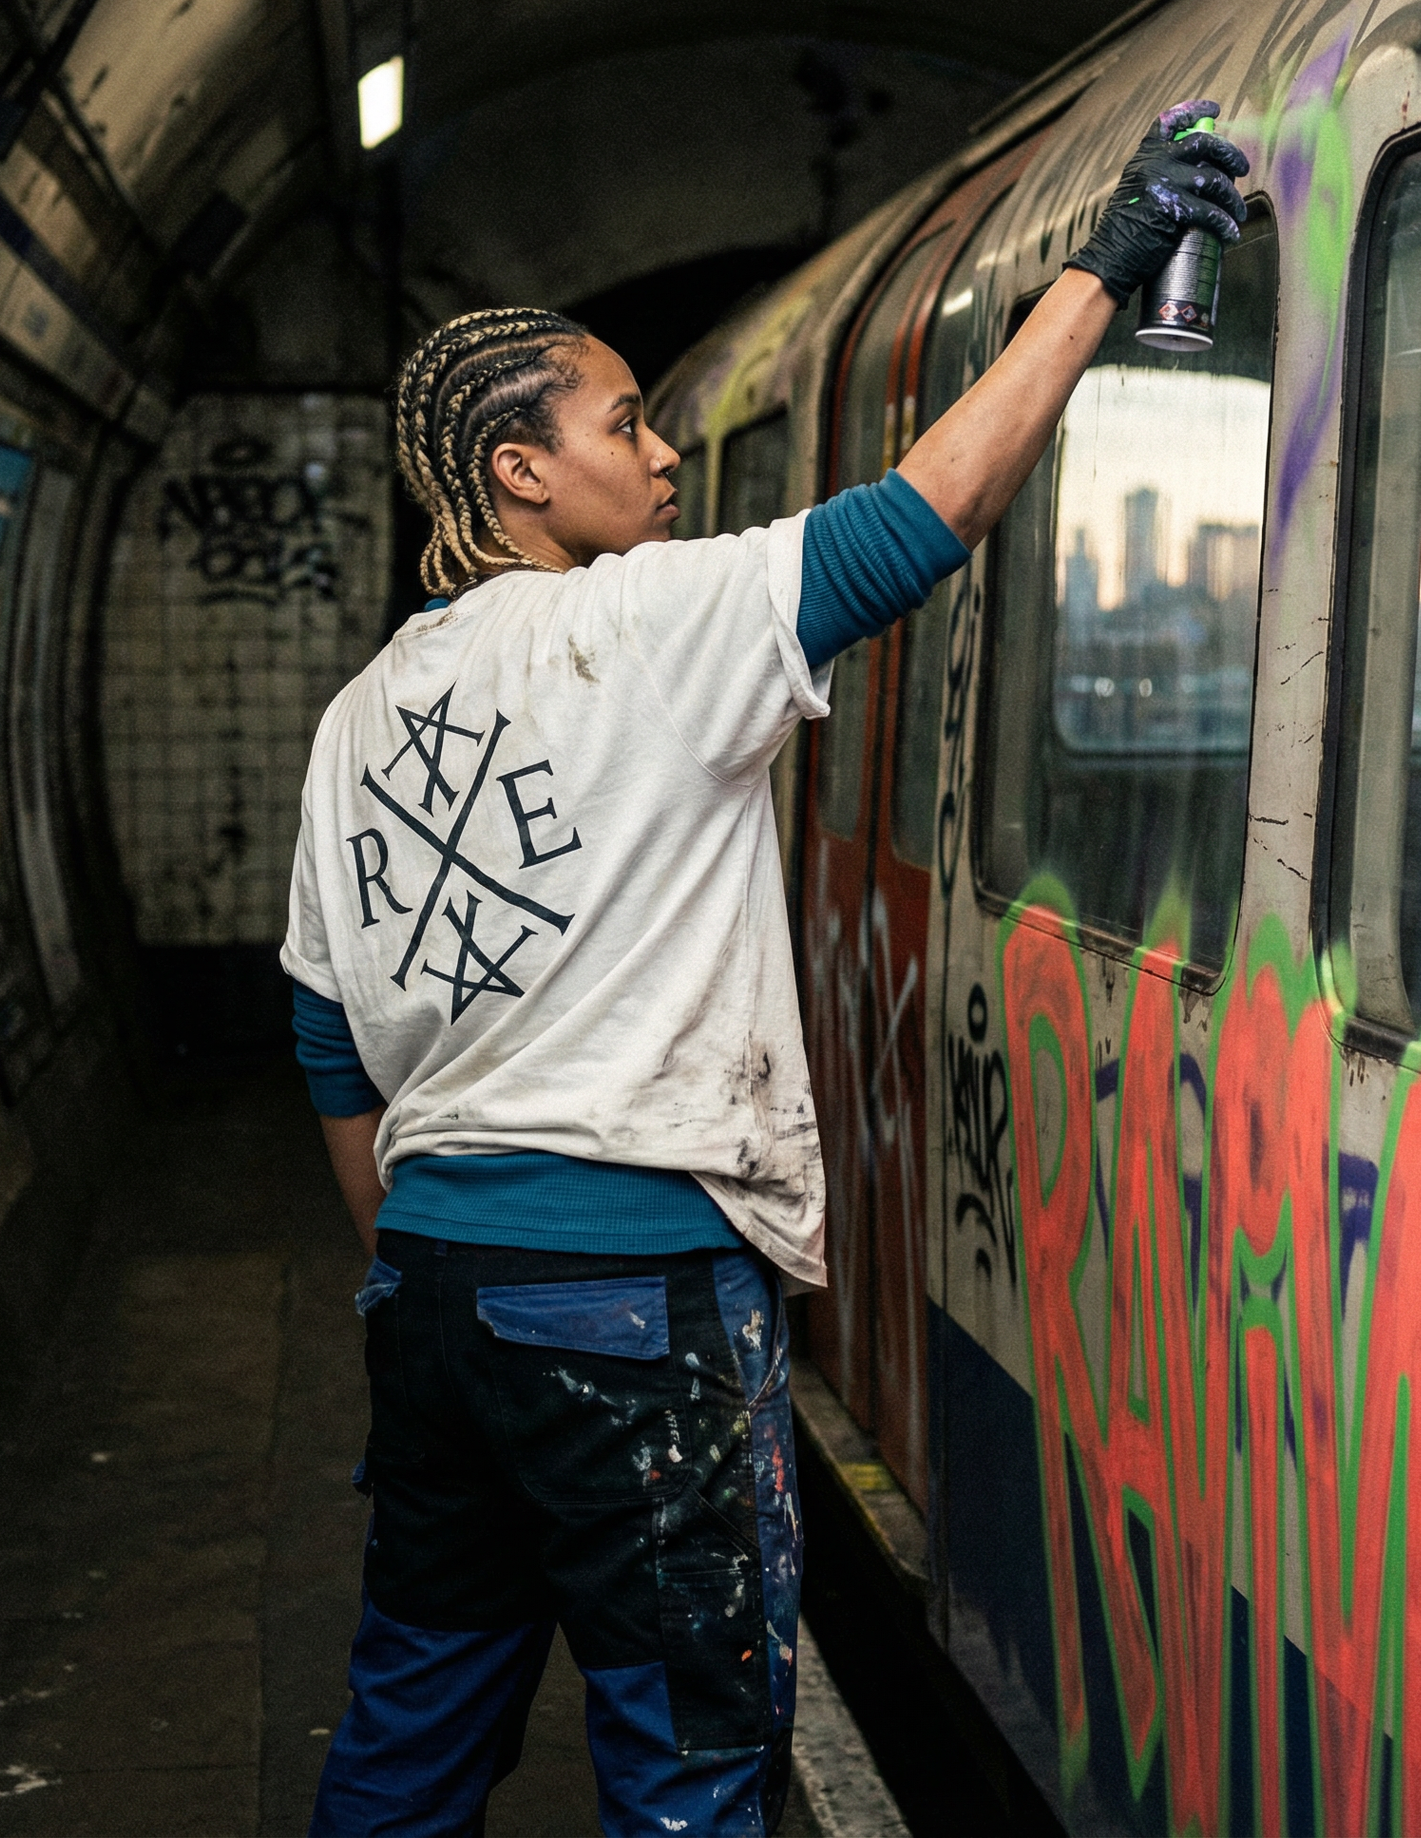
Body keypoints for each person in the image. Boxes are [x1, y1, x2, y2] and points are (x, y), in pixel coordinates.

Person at [284, 98, 1248, 1837]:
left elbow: (329, 1046)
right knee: (688, 1751)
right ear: (518, 470)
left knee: (409, 1725)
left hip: (430, 1294)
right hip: (632, 1298)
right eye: (622, 424)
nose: (661, 458)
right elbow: (927, 514)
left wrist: (425, 1264)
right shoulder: (644, 623)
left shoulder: (359, 716)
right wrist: (1106, 269)